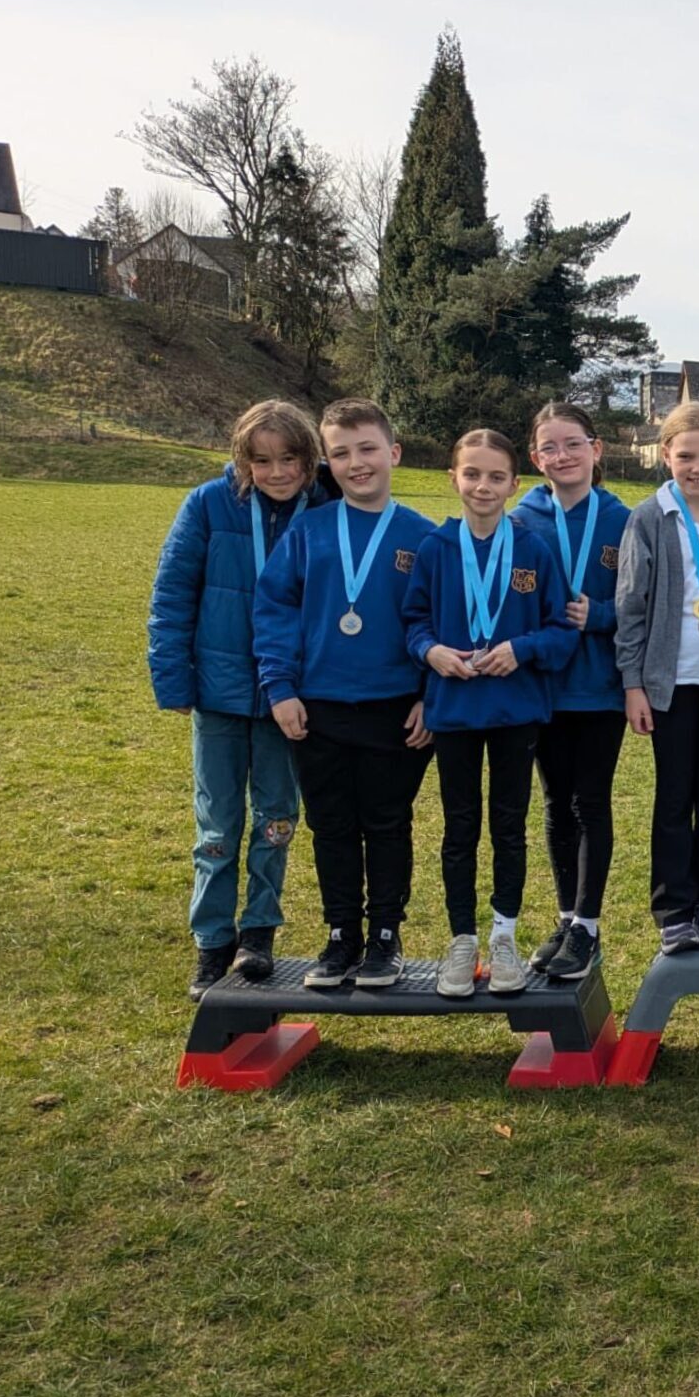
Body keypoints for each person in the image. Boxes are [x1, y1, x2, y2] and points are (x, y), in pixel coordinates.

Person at [254, 399, 436, 990]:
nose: (356, 463)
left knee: (387, 822)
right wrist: (280, 687)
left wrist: (430, 696)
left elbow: (443, 623)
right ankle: (340, 935)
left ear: (393, 453)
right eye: (341, 454)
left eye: (367, 449)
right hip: (317, 707)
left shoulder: (424, 537)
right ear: (326, 464)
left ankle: (384, 935)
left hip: (396, 709)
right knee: (330, 825)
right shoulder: (309, 531)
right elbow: (275, 610)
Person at [148, 400, 328, 999]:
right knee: (217, 826)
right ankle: (212, 941)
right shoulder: (208, 504)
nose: (277, 472)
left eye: (289, 458)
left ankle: (258, 934)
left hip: (290, 699)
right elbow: (172, 594)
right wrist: (173, 680)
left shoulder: (323, 508)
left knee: (277, 818)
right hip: (218, 693)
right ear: (242, 459)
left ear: (309, 457)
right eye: (262, 460)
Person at [404, 429, 580, 999]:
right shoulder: (436, 548)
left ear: (514, 483)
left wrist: (520, 650)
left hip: (514, 711)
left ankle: (504, 937)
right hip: (454, 711)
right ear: (452, 478)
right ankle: (462, 940)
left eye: (496, 476)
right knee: (459, 828)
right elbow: (413, 622)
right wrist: (431, 651)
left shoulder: (533, 550)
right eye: (472, 474)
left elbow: (561, 630)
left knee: (508, 826)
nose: (483, 486)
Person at [619, 403, 699, 954]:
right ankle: (674, 906)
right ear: (666, 455)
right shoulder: (649, 518)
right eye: (686, 456)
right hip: (669, 682)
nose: (698, 467)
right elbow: (631, 606)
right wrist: (633, 684)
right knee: (675, 796)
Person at [512, 402, 630, 982]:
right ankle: (564, 918)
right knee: (556, 803)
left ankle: (588, 923)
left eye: (573, 444)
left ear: (595, 448)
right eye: (550, 448)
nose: (563, 456)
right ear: (536, 458)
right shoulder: (521, 518)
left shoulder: (623, 518)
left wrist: (599, 615)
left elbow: (645, 603)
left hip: (600, 687)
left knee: (591, 801)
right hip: (542, 688)